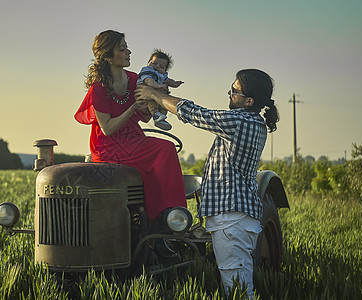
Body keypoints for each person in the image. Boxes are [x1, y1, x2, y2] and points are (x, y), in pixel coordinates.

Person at [135, 69, 280, 298]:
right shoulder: (253, 122)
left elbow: (195, 114)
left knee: (239, 291)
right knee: (238, 287)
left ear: (249, 100)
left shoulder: (240, 121)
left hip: (233, 220)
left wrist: (156, 95)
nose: (229, 93)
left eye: (234, 91)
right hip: (236, 218)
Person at [74, 30, 187, 231]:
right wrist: (133, 108)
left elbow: (143, 118)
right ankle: (156, 220)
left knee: (166, 149)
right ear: (108, 56)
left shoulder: (135, 79)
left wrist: (153, 104)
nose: (129, 52)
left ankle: (169, 219)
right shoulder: (99, 88)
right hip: (108, 147)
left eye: (127, 47)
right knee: (162, 152)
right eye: (122, 48)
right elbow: (107, 128)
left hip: (134, 140)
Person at [137, 49, 184, 131]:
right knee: (151, 99)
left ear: (165, 70)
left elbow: (169, 81)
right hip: (144, 92)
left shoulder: (163, 75)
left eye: (161, 66)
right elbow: (148, 80)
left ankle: (160, 119)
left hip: (157, 93)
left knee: (165, 104)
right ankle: (155, 113)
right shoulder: (148, 70)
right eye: (154, 63)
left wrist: (175, 84)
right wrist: (157, 86)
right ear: (148, 63)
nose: (157, 66)